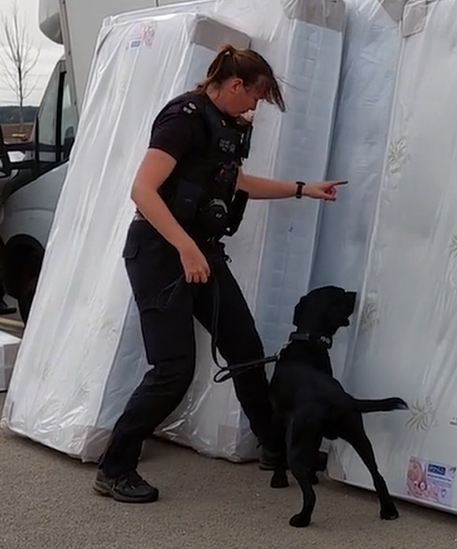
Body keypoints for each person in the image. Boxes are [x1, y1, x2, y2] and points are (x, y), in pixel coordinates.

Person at [93, 44, 346, 504]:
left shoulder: (227, 126)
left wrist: (302, 189)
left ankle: (276, 446)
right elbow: (143, 191)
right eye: (254, 97)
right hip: (159, 251)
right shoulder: (183, 118)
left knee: (245, 347)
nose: (254, 107)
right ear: (234, 85)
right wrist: (186, 248)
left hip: (202, 251)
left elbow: (237, 182)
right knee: (173, 369)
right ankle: (115, 467)